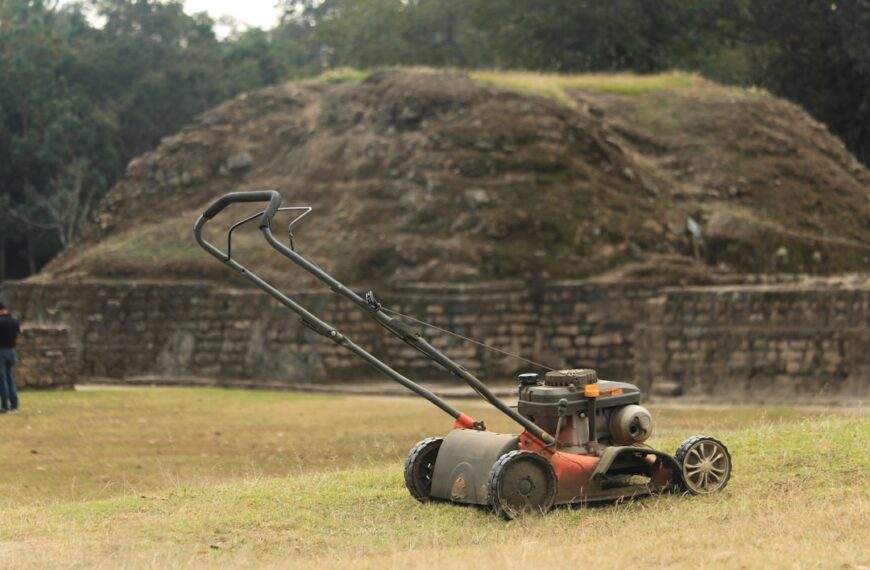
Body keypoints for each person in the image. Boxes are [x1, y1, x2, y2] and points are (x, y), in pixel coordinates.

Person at [0, 302, 20, 414]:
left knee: (2, 379)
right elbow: (17, 336)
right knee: (10, 378)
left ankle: (4, 406)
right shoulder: (14, 321)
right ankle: (14, 405)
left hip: (1, 351)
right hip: (11, 350)